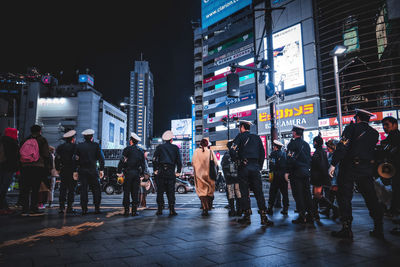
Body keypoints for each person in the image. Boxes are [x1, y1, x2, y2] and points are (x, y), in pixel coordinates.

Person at [329, 109, 383, 239]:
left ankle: (347, 228)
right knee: (371, 198)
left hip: (349, 168)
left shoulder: (351, 128)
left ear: (357, 118)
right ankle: (378, 227)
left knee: (345, 198)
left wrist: (333, 163)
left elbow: (342, 146)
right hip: (366, 169)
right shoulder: (374, 133)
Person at [230, 120, 273, 226]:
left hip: (244, 167)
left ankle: (247, 216)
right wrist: (258, 165)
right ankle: (263, 217)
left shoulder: (239, 137)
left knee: (244, 192)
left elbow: (232, 150)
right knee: (259, 192)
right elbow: (262, 153)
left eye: (240, 127)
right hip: (255, 167)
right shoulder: (257, 138)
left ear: (242, 127)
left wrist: (237, 160)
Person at [19, 125, 50, 216]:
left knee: (25, 189)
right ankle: (33, 208)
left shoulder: (25, 140)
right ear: (40, 131)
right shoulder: (42, 140)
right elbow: (46, 154)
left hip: (25, 166)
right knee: (35, 189)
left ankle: (24, 209)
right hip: (37, 166)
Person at [285, 125, 313, 224]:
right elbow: (309, 159)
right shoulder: (306, 144)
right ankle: (310, 214)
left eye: (293, 131)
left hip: (296, 172)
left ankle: (302, 216)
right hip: (306, 172)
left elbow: (289, 159)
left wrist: (287, 171)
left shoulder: (291, 145)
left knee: (298, 194)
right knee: (307, 194)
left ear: (295, 133)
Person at [73, 129, 105, 215]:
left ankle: (84, 209)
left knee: (84, 190)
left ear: (84, 137)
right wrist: (101, 169)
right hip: (93, 170)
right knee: (96, 190)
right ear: (92, 137)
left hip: (82, 170)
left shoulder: (79, 146)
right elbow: (101, 158)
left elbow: (75, 159)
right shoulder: (96, 145)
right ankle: (97, 208)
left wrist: (75, 171)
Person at [153, 130, 182, 216]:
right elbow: (179, 161)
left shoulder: (159, 147)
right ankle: (172, 210)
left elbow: (154, 159)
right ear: (171, 139)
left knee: (160, 191)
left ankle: (160, 210)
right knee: (171, 191)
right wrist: (178, 171)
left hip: (161, 171)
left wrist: (155, 169)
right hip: (170, 171)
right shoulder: (175, 148)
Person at [310, 135, 338, 222]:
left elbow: (321, 166)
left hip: (318, 178)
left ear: (315, 142)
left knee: (317, 195)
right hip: (319, 177)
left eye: (314, 142)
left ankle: (334, 209)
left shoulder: (319, 152)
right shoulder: (321, 152)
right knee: (316, 195)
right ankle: (315, 214)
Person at [380, 116, 400, 235]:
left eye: (387, 125)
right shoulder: (389, 139)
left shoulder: (395, 138)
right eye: (383, 125)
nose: (385, 128)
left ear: (394, 125)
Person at [117, 133, 145, 216]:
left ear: (131, 141)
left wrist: (119, 171)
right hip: (136, 174)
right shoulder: (140, 151)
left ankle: (126, 211)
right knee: (135, 192)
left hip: (128, 173)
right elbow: (143, 164)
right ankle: (134, 211)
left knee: (126, 192)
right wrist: (142, 174)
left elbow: (122, 161)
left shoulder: (127, 149)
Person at [192, 138, 218, 216]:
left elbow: (193, 162)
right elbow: (216, 163)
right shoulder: (210, 151)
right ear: (207, 144)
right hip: (209, 174)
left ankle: (204, 208)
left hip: (199, 174)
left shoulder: (196, 151)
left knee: (202, 192)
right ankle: (209, 205)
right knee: (209, 191)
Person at [55, 130, 77, 214]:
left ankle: (61, 207)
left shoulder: (60, 147)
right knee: (72, 189)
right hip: (72, 170)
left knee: (63, 189)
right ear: (72, 139)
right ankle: (70, 207)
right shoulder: (75, 147)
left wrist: (58, 169)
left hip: (63, 170)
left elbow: (57, 159)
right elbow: (77, 159)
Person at [0, 128, 19, 215]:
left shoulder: (2, 140)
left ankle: (5, 207)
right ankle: (2, 208)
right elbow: (15, 158)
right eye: (16, 133)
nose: (17, 135)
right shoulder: (12, 143)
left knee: (2, 187)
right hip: (8, 168)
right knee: (3, 188)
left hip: (2, 166)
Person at [267, 140, 289, 216]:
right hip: (283, 176)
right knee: (285, 193)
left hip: (275, 176)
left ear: (275, 147)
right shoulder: (284, 154)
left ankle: (270, 208)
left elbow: (271, 165)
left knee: (272, 193)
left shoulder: (273, 154)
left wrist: (270, 175)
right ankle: (285, 209)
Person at [320, 139, 340, 219]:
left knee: (336, 197)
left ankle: (337, 212)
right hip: (331, 180)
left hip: (335, 180)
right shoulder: (331, 155)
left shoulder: (336, 156)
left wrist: (335, 183)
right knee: (330, 197)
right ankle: (330, 210)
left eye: (328, 147)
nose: (327, 148)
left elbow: (336, 170)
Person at [221, 140, 241, 217]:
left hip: (229, 178)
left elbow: (223, 166)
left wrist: (226, 176)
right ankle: (239, 210)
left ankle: (232, 210)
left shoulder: (225, 155)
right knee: (238, 192)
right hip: (237, 177)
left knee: (230, 193)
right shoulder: (237, 154)